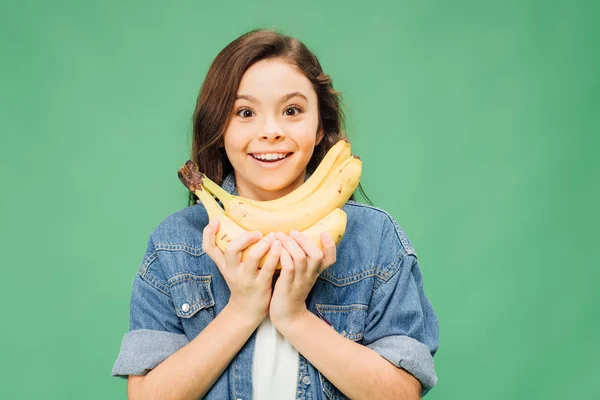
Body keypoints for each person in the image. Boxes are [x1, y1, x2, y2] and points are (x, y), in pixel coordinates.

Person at [112, 28, 439, 400]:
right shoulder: (176, 244)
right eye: (245, 112)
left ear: (320, 129)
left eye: (292, 111)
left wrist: (294, 317)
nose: (270, 131)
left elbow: (401, 394)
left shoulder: (374, 238)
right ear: (219, 129)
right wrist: (242, 309)